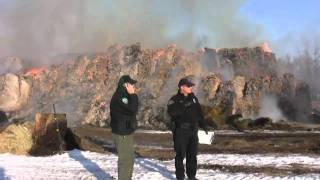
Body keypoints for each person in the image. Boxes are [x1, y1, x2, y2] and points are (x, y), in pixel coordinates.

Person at [167, 77, 208, 180]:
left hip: (193, 130)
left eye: (191, 86)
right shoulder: (174, 100)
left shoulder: (193, 98)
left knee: (192, 154)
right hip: (181, 131)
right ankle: (180, 176)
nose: (191, 88)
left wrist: (203, 124)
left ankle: (191, 176)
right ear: (182, 87)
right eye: (188, 86)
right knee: (180, 154)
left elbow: (199, 112)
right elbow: (173, 113)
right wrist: (184, 105)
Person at [110, 75, 138, 180]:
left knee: (130, 159)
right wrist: (133, 95)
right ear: (125, 85)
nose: (133, 86)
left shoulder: (125, 96)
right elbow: (132, 109)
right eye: (131, 84)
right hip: (122, 133)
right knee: (125, 160)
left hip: (126, 132)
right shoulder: (121, 97)